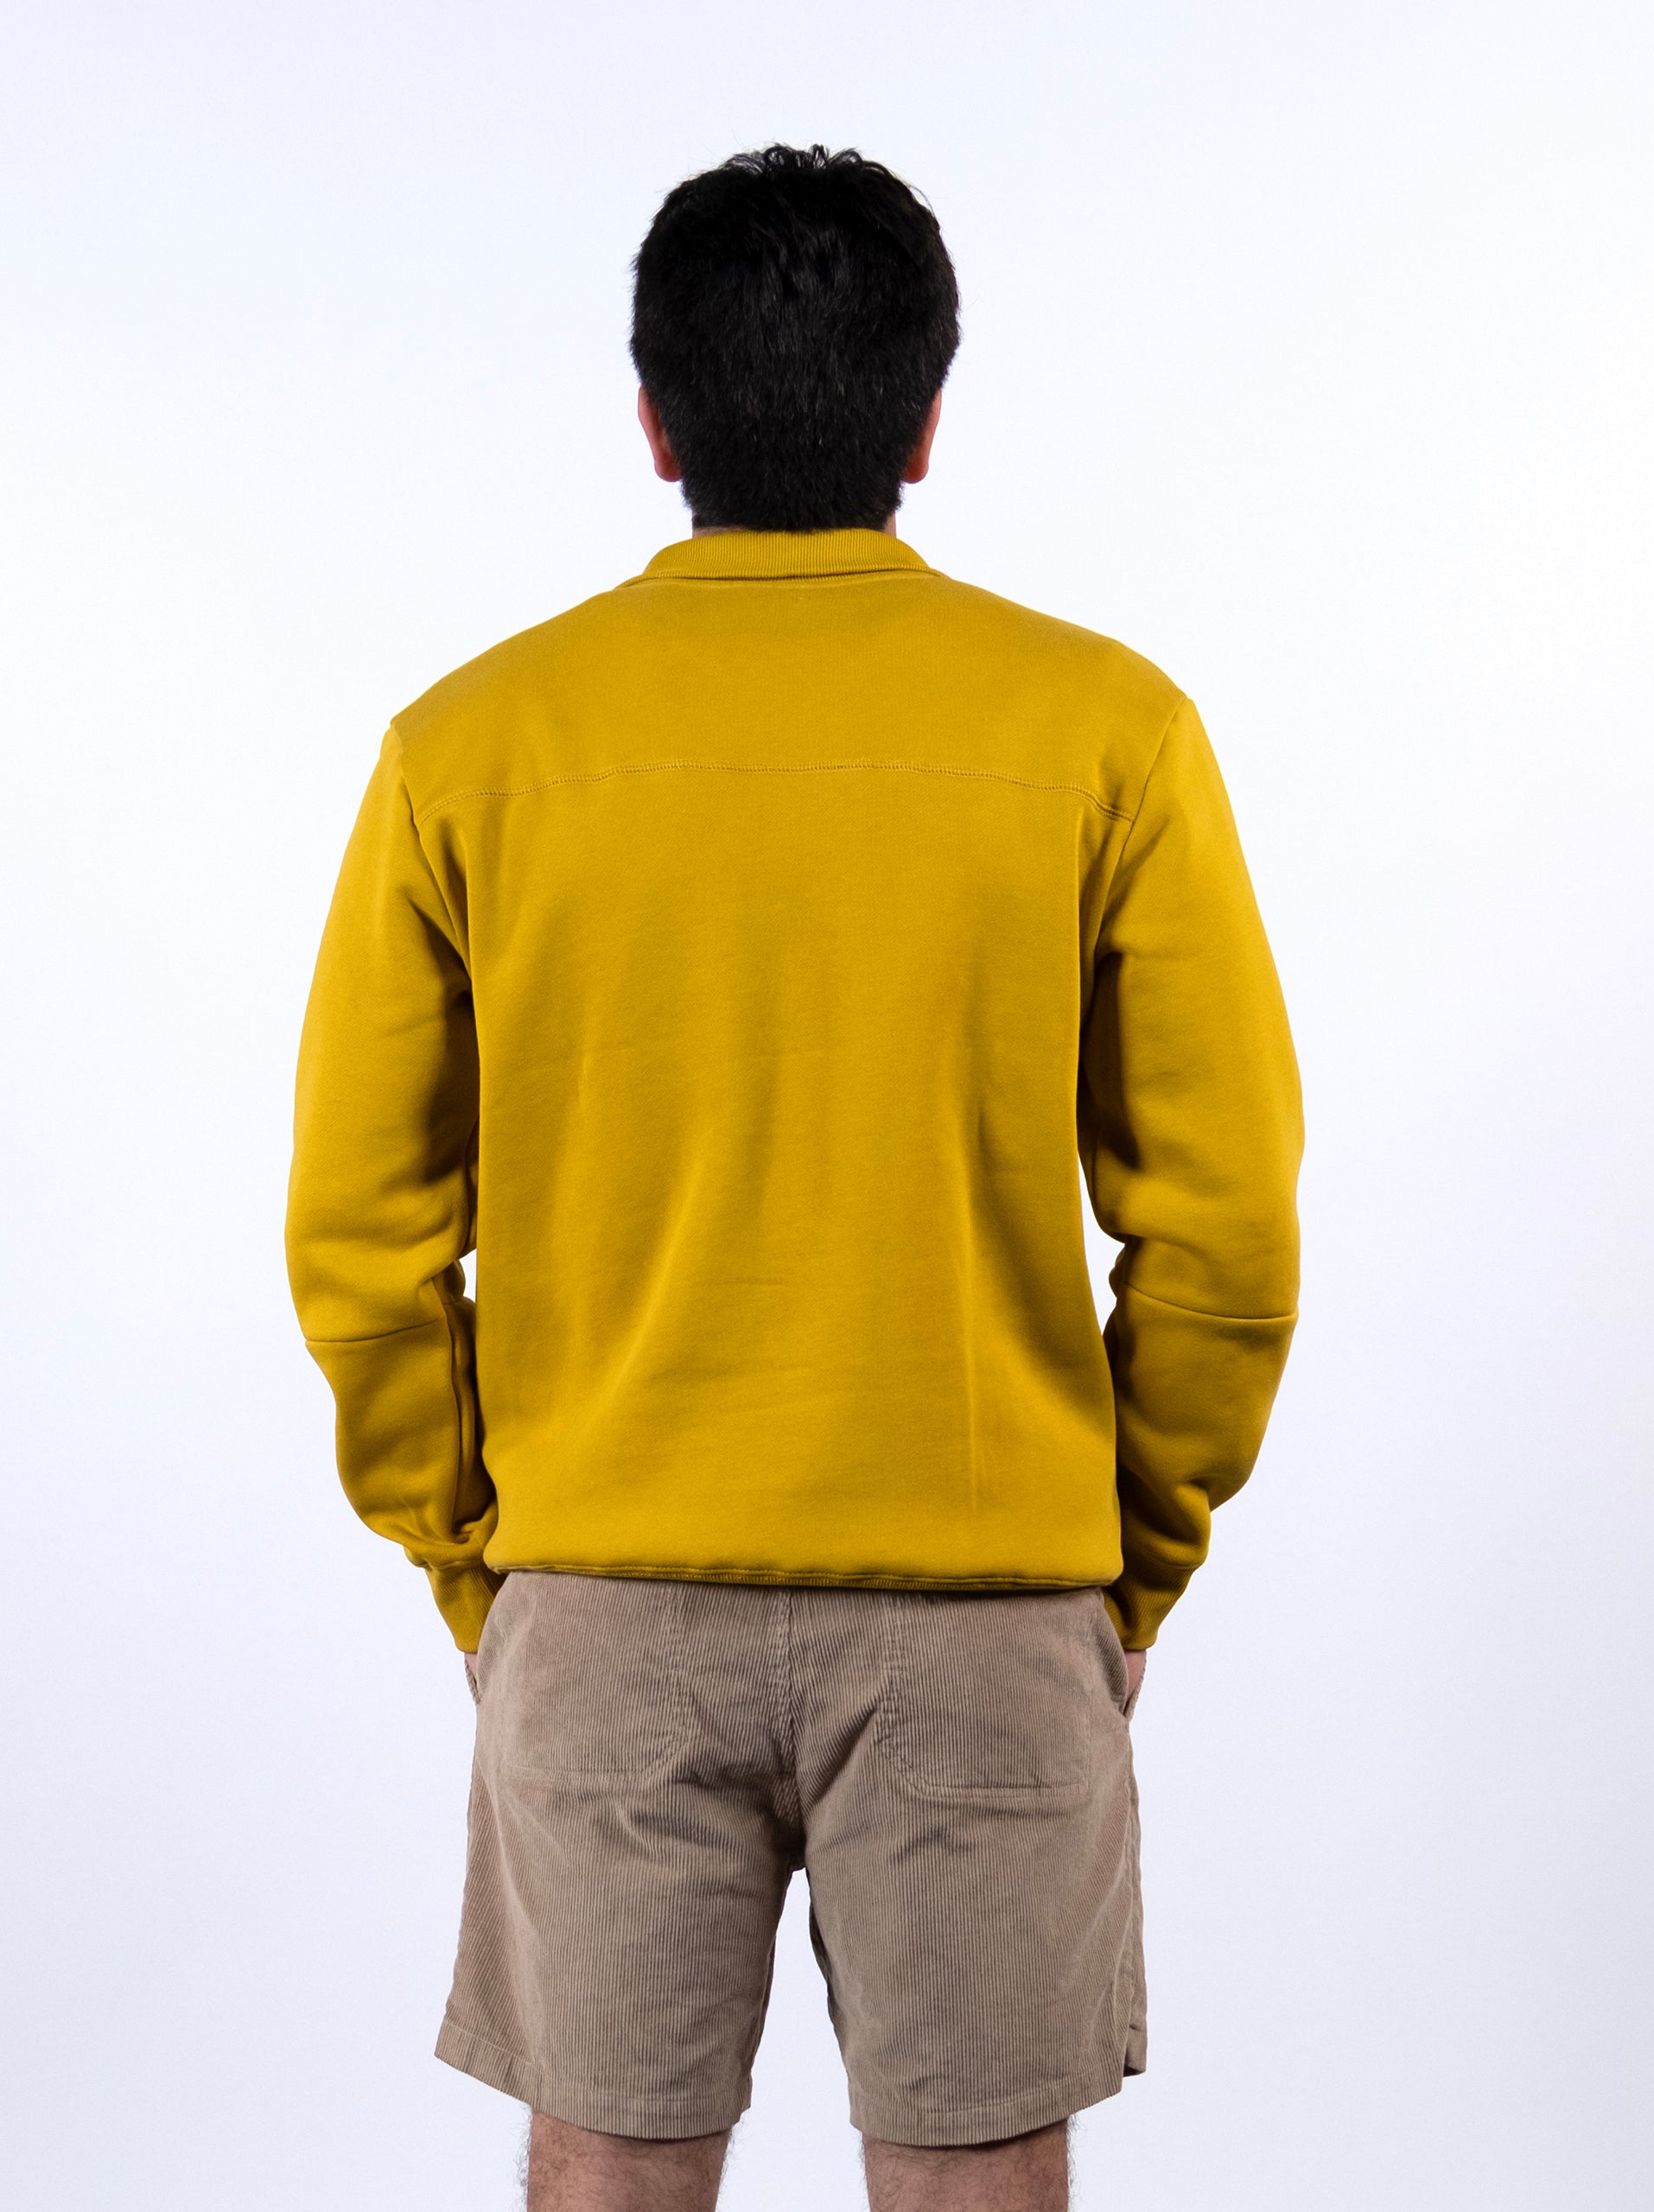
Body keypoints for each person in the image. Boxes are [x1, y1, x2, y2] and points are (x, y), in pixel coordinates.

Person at [285, 143, 1302, 2212]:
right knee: (975, 2179)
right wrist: (1126, 1556)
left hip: (602, 1591)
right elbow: (1225, 1231)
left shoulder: (470, 745)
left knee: (605, 2168)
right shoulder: (1107, 730)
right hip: (993, 1596)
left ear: (652, 416)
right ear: (928, 418)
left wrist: (480, 1559)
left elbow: (362, 1240)